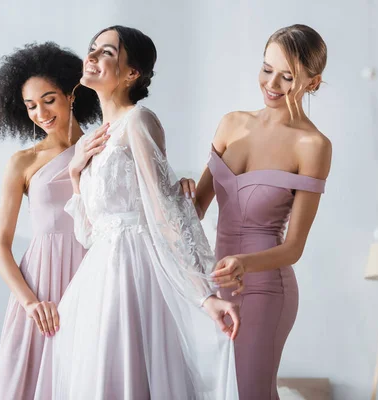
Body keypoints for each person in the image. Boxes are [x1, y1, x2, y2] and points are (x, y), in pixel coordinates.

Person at [52, 26, 240, 399]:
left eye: (106, 52)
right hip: (99, 276)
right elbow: (88, 235)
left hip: (134, 272)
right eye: (92, 48)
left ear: (132, 72)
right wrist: (76, 173)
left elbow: (165, 213)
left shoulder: (138, 121)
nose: (91, 56)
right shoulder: (94, 137)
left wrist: (206, 294)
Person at [181, 24, 332, 399]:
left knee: (250, 392)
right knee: (215, 391)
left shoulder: (312, 146)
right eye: (267, 69)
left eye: (288, 77)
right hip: (215, 282)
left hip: (265, 286)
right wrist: (179, 194)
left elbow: (294, 247)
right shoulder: (232, 123)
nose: (272, 84)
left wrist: (245, 264)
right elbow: (196, 208)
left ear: (312, 83)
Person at [0, 42, 100, 400]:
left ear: (72, 93)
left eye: (48, 99)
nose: (40, 113)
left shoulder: (104, 146)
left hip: (95, 276)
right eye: (31, 105)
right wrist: (30, 302)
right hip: (40, 288)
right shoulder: (23, 162)